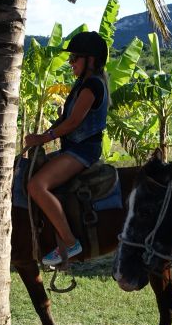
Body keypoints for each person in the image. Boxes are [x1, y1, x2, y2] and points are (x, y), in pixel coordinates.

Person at [24, 31, 110, 267]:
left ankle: (71, 243)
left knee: (36, 185)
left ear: (90, 60)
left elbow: (74, 123)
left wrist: (44, 137)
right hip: (74, 148)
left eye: (75, 58)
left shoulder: (92, 85)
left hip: (82, 151)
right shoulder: (84, 83)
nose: (71, 63)